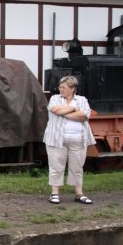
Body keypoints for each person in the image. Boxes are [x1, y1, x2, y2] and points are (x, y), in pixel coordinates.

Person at [43, 76, 96, 205]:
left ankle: (79, 194)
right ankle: (54, 194)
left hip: (78, 139)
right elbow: (55, 109)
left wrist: (63, 112)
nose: (61, 89)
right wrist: (74, 109)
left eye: (64, 87)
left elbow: (84, 115)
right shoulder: (55, 99)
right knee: (56, 166)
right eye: (60, 87)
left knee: (77, 167)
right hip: (56, 139)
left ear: (72, 88)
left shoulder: (82, 100)